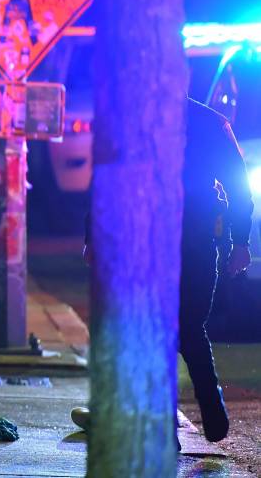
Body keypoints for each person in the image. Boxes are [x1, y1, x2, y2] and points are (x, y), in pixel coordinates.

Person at [77, 98, 253, 445]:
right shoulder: (212, 122)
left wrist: (94, 235)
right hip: (196, 244)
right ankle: (210, 405)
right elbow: (238, 186)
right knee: (189, 327)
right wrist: (240, 241)